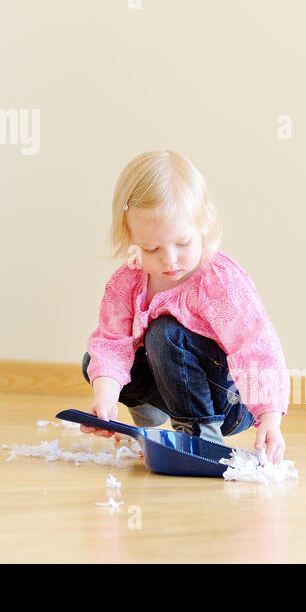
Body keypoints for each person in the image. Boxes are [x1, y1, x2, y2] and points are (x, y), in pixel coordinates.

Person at [81, 150, 289, 463]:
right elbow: (112, 344)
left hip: (230, 400)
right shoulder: (128, 281)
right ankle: (149, 422)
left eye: (182, 244)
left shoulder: (218, 281)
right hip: (173, 389)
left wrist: (270, 416)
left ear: (203, 226)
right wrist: (105, 400)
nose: (169, 259)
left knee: (165, 333)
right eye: (152, 248)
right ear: (131, 239)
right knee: (95, 362)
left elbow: (255, 347)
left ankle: (201, 436)